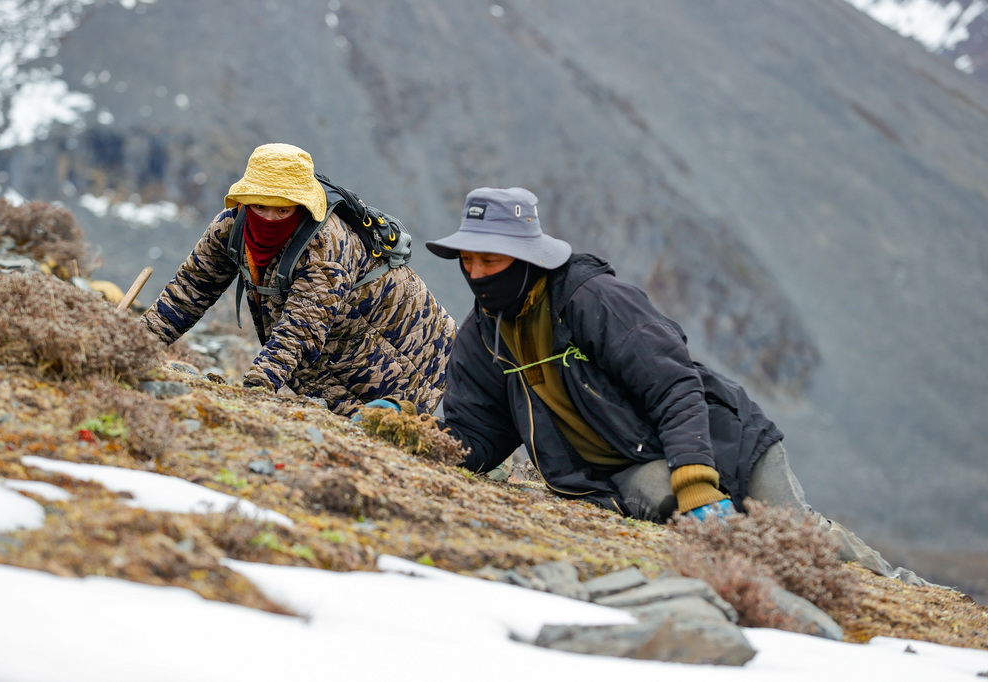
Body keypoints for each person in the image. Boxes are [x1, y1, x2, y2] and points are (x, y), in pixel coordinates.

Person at [377, 186, 923, 584]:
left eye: (489, 260)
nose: (474, 274)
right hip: (629, 466)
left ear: (525, 258)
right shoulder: (482, 335)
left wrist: (697, 479)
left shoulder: (593, 300)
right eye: (467, 261)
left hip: (722, 436)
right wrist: (413, 436)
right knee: (711, 531)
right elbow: (479, 432)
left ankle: (900, 588)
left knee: (797, 537)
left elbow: (675, 385)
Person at [141, 143, 456, 416]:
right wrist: (134, 344)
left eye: (283, 209)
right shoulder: (229, 229)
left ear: (303, 206)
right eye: (260, 205)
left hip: (407, 343)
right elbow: (187, 292)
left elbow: (301, 327)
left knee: (390, 435)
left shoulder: (327, 243)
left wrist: (258, 386)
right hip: (341, 346)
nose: (269, 217)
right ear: (244, 201)